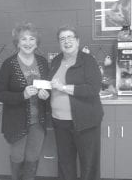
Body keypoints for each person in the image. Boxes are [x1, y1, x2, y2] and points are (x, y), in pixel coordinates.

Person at [0, 23, 50, 180]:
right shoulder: (9, 64)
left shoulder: (43, 62)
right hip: (16, 122)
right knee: (17, 157)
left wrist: (46, 95)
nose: (28, 42)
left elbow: (48, 87)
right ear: (17, 43)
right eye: (23, 39)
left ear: (36, 42)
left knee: (33, 157)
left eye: (32, 39)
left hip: (38, 121)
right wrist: (21, 96)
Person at [49, 25, 104, 180]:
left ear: (78, 41)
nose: (66, 41)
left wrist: (64, 88)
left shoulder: (88, 61)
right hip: (60, 121)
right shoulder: (56, 60)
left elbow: (93, 88)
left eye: (70, 37)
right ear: (59, 43)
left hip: (85, 121)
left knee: (89, 163)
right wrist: (44, 90)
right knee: (65, 163)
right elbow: (51, 84)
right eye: (62, 38)